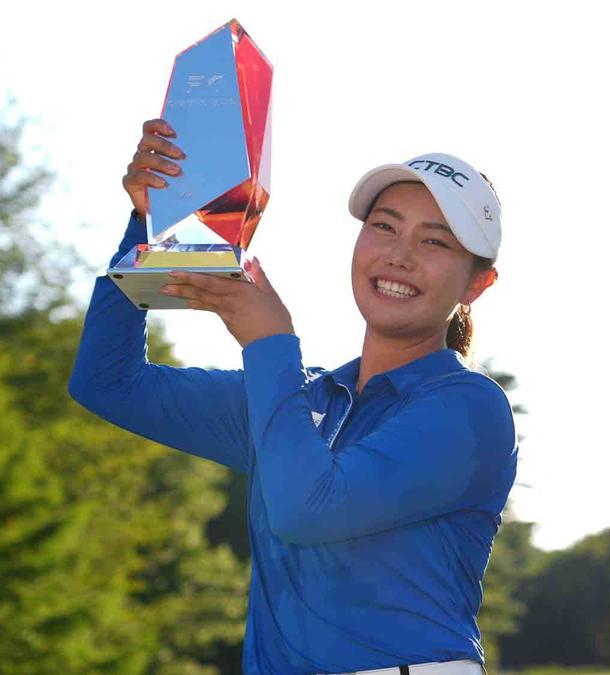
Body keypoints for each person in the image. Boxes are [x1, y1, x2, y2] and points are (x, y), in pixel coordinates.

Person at [68, 118, 518, 675]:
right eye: (384, 226)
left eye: (435, 241)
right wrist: (144, 223)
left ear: (477, 284)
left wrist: (269, 342)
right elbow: (108, 384)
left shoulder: (470, 409)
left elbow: (308, 510)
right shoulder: (299, 396)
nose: (399, 255)